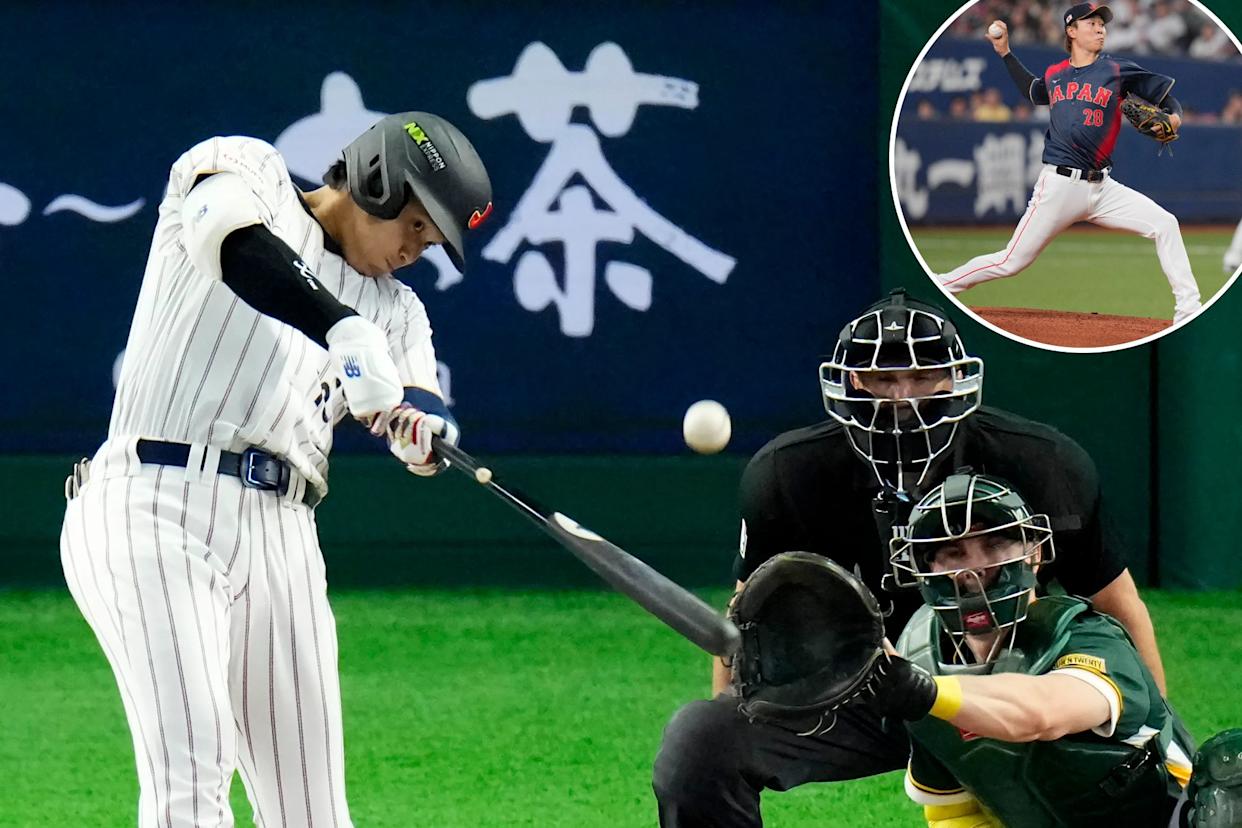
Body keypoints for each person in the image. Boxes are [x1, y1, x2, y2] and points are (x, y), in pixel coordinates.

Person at [59, 111, 493, 825]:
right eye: (416, 225)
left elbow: (416, 405)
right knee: (193, 777)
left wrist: (422, 434)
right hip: (150, 503)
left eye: (434, 240)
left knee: (312, 812)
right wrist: (338, 324)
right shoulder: (246, 169)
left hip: (283, 530)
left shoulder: (399, 313)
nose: (418, 249)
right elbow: (227, 242)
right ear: (378, 180)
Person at [651, 288, 1168, 827]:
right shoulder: (788, 474)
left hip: (1009, 679)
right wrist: (737, 707)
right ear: (851, 383)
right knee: (702, 741)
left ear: (955, 380)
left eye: (923, 378)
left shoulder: (1042, 463)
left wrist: (1160, 732)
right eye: (883, 380)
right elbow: (745, 619)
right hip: (864, 688)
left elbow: (1116, 604)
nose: (902, 399)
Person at [877, 472, 1241, 827]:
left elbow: (1042, 711)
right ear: (925, 570)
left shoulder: (1087, 636)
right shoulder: (920, 656)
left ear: (1033, 556)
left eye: (994, 545)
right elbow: (953, 811)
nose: (974, 570)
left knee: (1234, 765)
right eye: (953, 553)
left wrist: (926, 692)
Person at [935, 4, 1202, 326]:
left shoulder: (1118, 70)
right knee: (1011, 261)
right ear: (1071, 31)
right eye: (1091, 23)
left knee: (1165, 224)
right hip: (1059, 186)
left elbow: (1164, 97)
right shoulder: (1055, 74)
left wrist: (1174, 117)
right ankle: (941, 284)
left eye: (1102, 24)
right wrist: (1005, 53)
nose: (1100, 28)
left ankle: (1189, 310)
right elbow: (1034, 91)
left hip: (1103, 189)